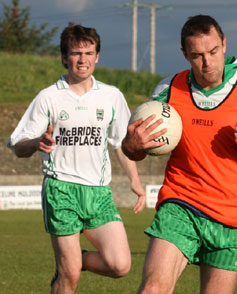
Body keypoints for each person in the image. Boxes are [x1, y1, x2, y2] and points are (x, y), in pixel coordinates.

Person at [122, 15, 237, 294]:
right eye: (197, 55)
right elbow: (134, 151)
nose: (207, 63)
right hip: (183, 203)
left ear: (224, 45)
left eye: (213, 52)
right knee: (152, 289)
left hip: (235, 213)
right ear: (185, 55)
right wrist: (133, 144)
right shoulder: (168, 91)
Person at [8, 24, 146, 294]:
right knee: (69, 277)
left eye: (88, 52)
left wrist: (135, 181)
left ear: (97, 57)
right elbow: (17, 145)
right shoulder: (49, 97)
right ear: (64, 57)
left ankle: (73, 261)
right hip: (61, 191)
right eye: (75, 53)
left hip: (98, 192)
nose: (82, 59)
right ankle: (68, 267)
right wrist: (37, 143)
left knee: (120, 265)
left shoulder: (111, 96)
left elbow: (121, 144)